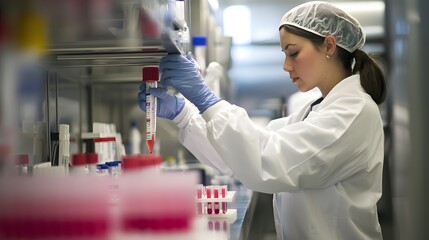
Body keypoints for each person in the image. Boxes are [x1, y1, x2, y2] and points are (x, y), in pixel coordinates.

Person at [138, 1, 386, 239]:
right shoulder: (316, 110)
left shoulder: (354, 112)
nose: (286, 66)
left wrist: (206, 99)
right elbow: (243, 154)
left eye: (294, 53)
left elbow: (268, 160)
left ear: (329, 46)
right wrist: (183, 114)